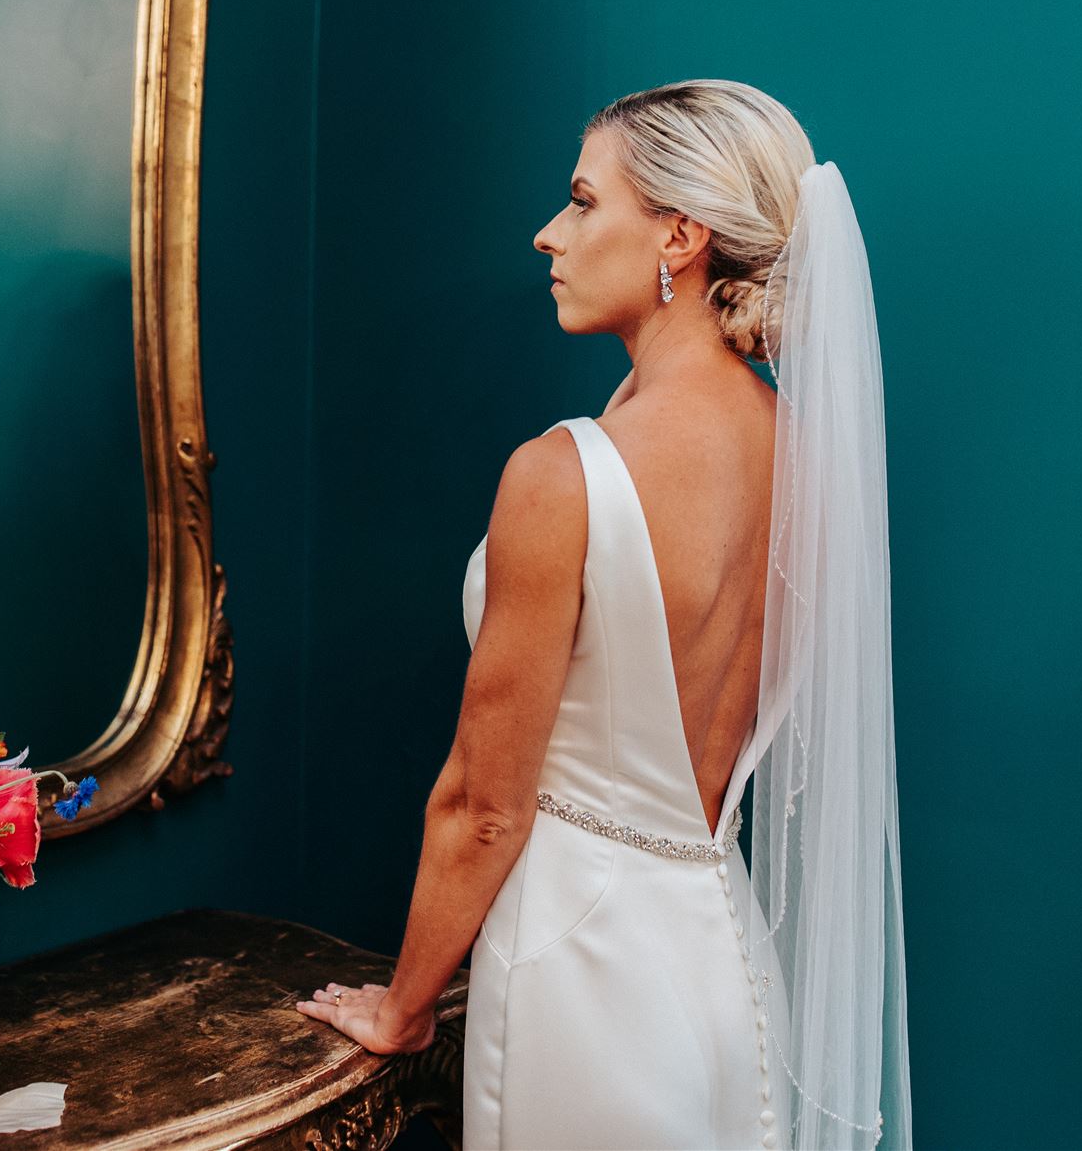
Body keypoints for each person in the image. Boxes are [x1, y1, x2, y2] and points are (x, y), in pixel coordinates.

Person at [296, 81, 912, 1149]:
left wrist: (399, 1010)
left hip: (578, 984)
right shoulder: (809, 466)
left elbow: (483, 805)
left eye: (582, 202)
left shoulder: (561, 474)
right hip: (725, 968)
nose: (547, 234)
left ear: (679, 233)